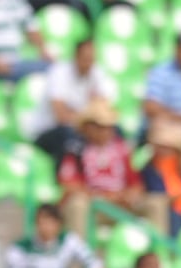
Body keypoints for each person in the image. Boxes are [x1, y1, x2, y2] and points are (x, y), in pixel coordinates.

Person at [57, 98, 148, 239]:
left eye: (109, 126)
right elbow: (69, 185)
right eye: (100, 126)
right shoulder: (75, 149)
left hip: (119, 206)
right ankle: (81, 256)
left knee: (155, 203)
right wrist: (102, 196)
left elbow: (135, 183)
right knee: (78, 204)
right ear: (87, 127)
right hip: (93, 207)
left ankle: (162, 255)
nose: (106, 131)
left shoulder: (122, 148)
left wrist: (130, 194)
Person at [34, 38, 114, 166]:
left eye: (92, 59)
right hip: (48, 131)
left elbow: (104, 112)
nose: (89, 63)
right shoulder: (59, 73)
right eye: (85, 59)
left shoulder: (96, 73)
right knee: (69, 137)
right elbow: (61, 116)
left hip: (80, 129)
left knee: (112, 131)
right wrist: (89, 116)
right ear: (76, 57)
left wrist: (89, 118)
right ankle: (67, 178)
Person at [139, 118, 181, 235]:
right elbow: (156, 193)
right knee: (175, 214)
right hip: (169, 210)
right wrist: (179, 195)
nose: (163, 151)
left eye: (168, 148)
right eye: (161, 146)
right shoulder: (150, 168)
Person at [5, 202, 102, 268]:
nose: (46, 227)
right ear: (36, 223)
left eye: (50, 223)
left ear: (59, 224)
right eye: (42, 222)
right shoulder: (21, 248)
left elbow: (93, 263)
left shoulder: (69, 241)